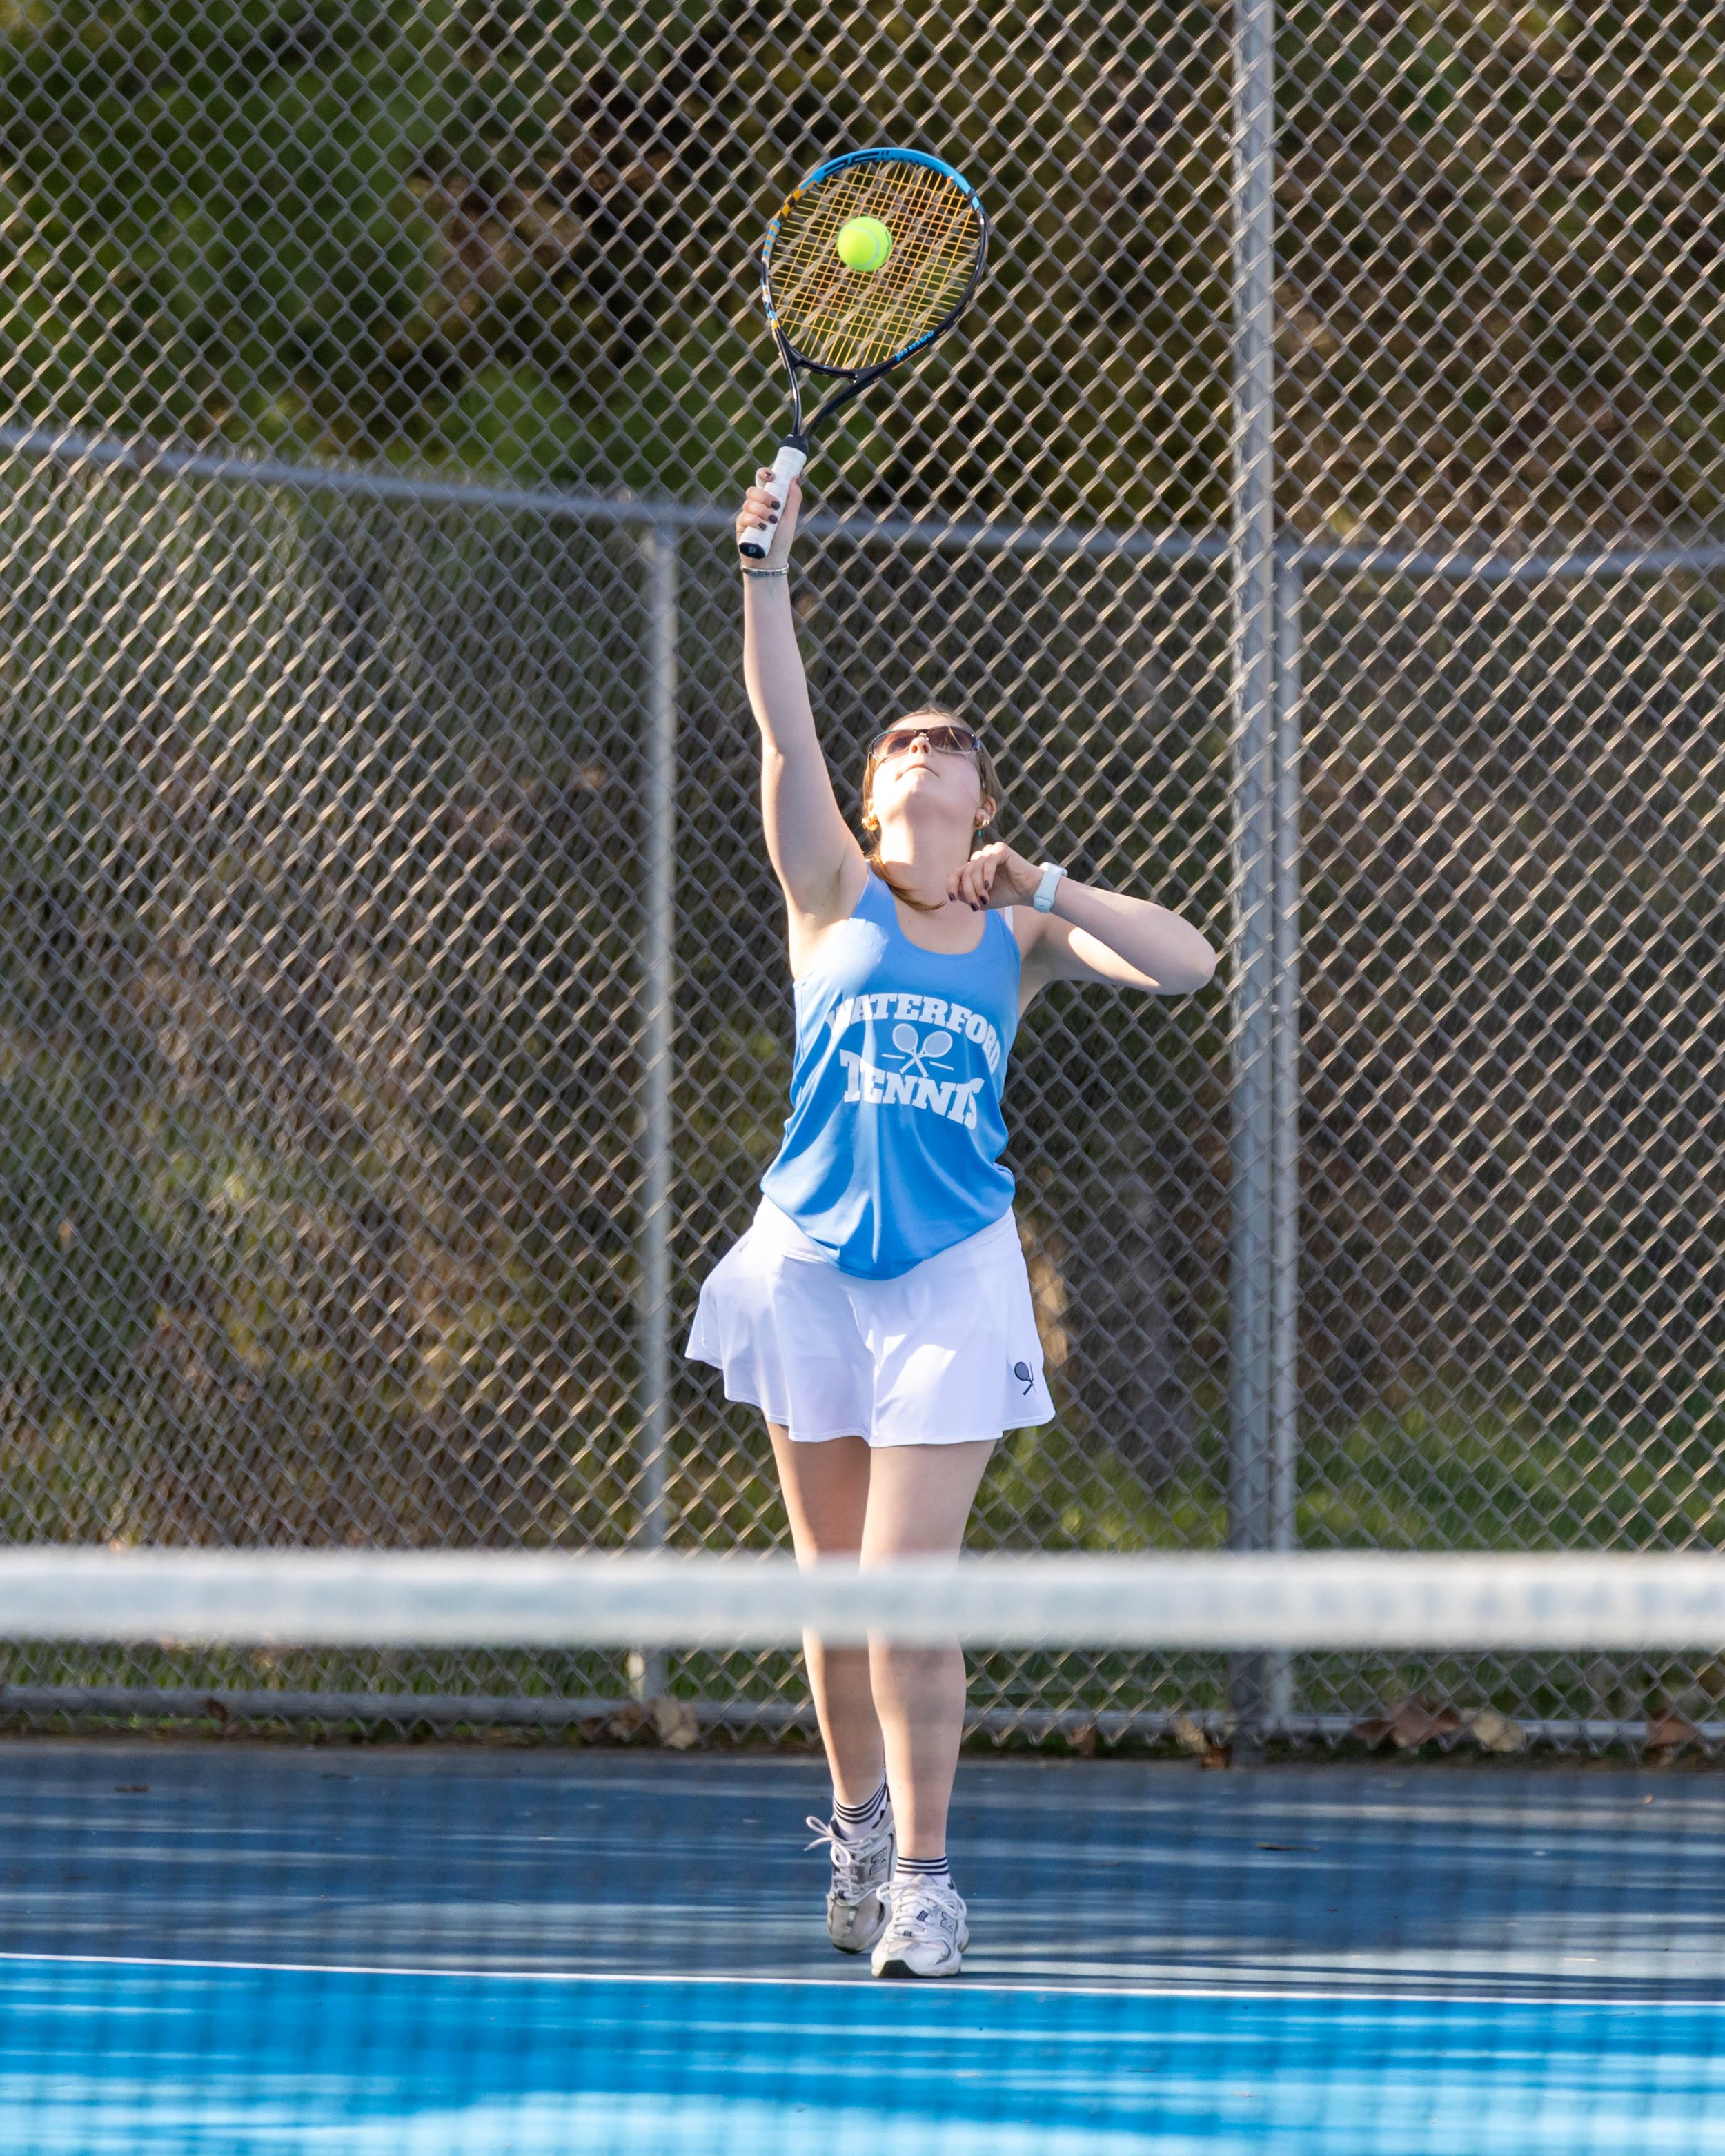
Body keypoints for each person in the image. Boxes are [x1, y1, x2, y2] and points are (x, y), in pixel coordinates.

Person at [686, 466, 1218, 1980]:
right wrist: (761, 572)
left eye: (954, 745)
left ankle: (923, 1878)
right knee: (830, 1594)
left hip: (950, 1282)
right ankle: (853, 1828)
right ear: (871, 799)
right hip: (805, 1267)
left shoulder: (1017, 932)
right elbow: (782, 723)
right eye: (901, 742)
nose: (926, 747)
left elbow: (1185, 965)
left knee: (901, 1589)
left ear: (982, 799)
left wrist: (1044, 881)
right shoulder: (825, 891)